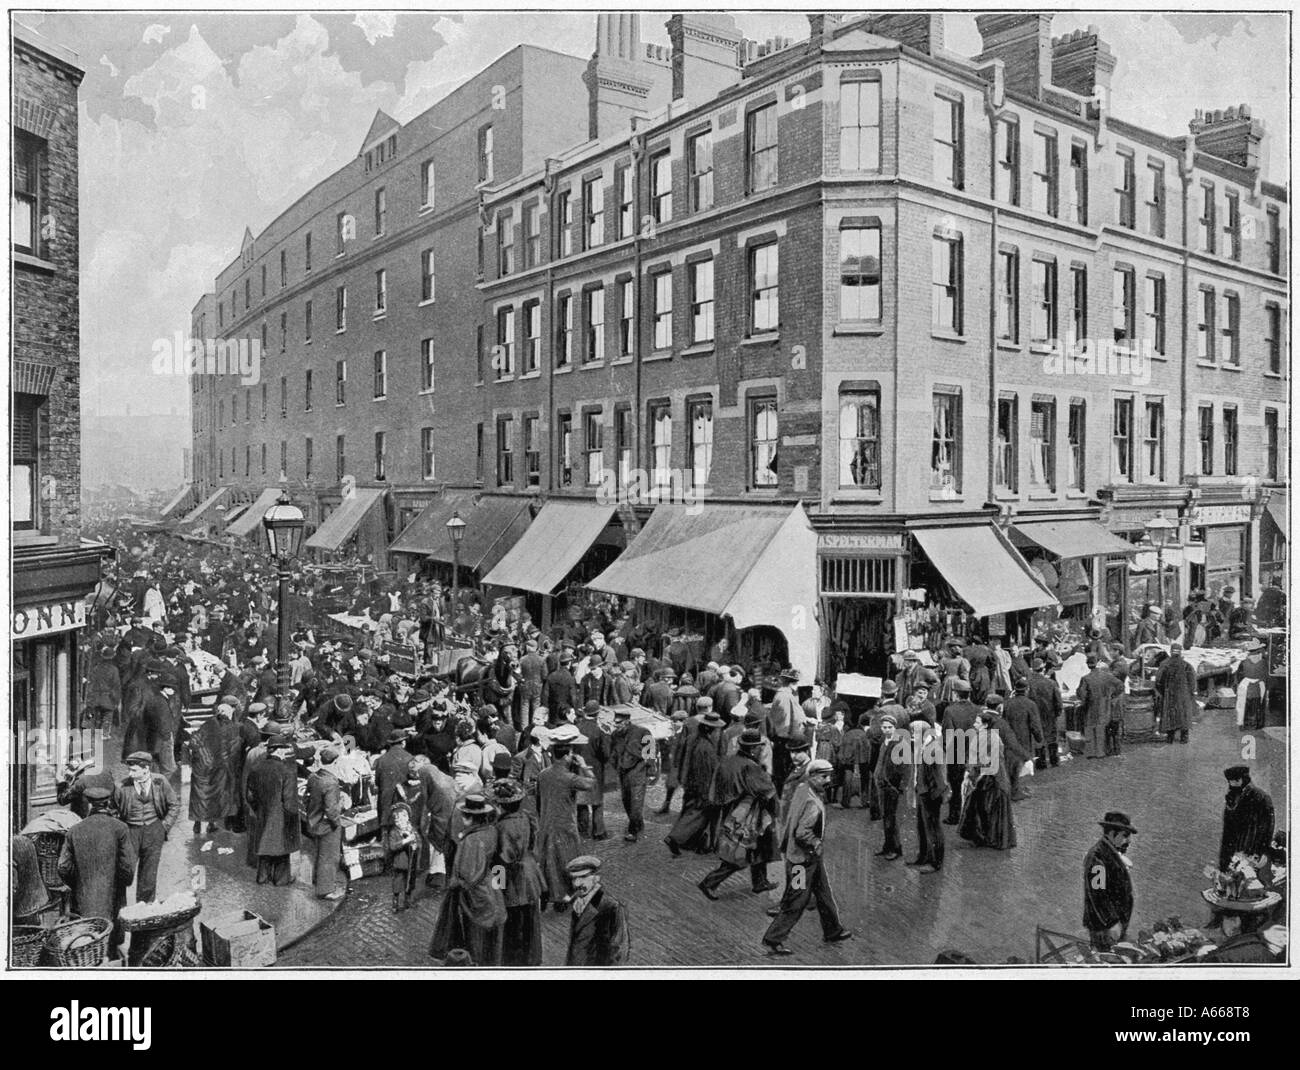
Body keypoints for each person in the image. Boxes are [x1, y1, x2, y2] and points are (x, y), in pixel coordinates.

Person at [761, 760, 853, 955]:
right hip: (803, 860)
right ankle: (773, 938)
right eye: (823, 776)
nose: (828, 780)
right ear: (812, 776)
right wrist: (816, 843)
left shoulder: (803, 788)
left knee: (824, 894)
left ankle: (833, 930)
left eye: (829, 776)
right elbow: (803, 833)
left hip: (807, 858)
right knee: (797, 900)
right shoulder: (813, 801)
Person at [56, 784, 135, 960]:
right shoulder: (120, 828)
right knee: (112, 948)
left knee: (85, 948)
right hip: (112, 902)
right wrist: (119, 883)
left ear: (89, 805)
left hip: (83, 902)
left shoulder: (74, 830)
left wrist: (77, 882)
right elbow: (128, 869)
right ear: (108, 804)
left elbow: (63, 867)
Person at [698, 729, 779, 899]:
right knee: (740, 853)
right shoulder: (750, 766)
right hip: (747, 814)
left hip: (729, 811)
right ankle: (709, 882)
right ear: (752, 748)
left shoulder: (727, 761)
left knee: (757, 849)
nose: (759, 750)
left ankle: (760, 882)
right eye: (757, 747)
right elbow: (767, 790)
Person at [430, 794, 506, 965]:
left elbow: (467, 875)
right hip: (491, 887)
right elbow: (498, 863)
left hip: (475, 896)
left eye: (464, 815)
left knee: (474, 937)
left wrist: (454, 883)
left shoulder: (471, 840)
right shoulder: (492, 830)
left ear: (469, 818)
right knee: (489, 939)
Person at [536, 724, 597, 910]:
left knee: (549, 861)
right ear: (567, 754)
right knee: (568, 861)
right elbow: (591, 784)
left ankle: (548, 895)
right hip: (566, 825)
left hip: (547, 823)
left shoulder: (543, 774)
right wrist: (584, 766)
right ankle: (564, 896)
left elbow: (539, 800)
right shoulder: (570, 778)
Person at [488, 776, 545, 966]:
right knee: (530, 923)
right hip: (530, 876)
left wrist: (496, 889)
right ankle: (532, 961)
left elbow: (501, 860)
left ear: (501, 806)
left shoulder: (500, 827)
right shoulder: (525, 817)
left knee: (513, 929)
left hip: (513, 882)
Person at [113, 752, 178, 903]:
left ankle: (145, 909)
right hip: (131, 832)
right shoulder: (122, 786)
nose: (130, 773)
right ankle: (120, 909)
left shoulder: (160, 782)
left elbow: (174, 805)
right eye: (129, 770)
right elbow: (113, 810)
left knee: (149, 875)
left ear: (146, 768)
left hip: (154, 830)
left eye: (134, 770)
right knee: (125, 871)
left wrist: (164, 827)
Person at [665, 709, 724, 857]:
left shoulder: (697, 740)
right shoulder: (706, 748)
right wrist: (707, 792)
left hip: (692, 784)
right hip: (701, 788)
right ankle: (675, 838)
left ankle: (692, 842)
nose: (719, 733)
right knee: (696, 816)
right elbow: (705, 772)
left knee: (691, 813)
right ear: (711, 730)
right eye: (717, 729)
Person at [246, 736, 301, 886]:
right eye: (284, 749)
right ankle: (280, 880)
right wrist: (293, 819)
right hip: (282, 817)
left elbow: (249, 795)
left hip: (263, 814)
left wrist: (259, 809)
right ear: (279, 750)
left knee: (265, 848)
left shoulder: (257, 768)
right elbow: (289, 801)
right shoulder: (286, 770)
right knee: (282, 851)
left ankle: (262, 877)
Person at [958, 712, 1016, 850]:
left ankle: (986, 837)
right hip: (993, 777)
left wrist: (970, 774)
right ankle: (989, 836)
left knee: (984, 806)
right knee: (986, 807)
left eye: (977, 722)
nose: (974, 724)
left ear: (985, 725)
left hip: (990, 778)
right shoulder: (990, 736)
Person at [186, 699, 241, 835]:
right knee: (217, 798)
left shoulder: (208, 723)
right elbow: (234, 749)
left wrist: (203, 758)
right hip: (219, 769)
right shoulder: (233, 728)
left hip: (202, 769)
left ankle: (197, 824)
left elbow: (194, 742)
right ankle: (211, 823)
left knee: (199, 797)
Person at [1083, 811, 1137, 950]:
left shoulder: (1110, 853)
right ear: (1112, 833)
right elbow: (1097, 894)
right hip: (1105, 928)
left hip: (1114, 926)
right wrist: (1111, 922)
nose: (1129, 841)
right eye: (1125, 836)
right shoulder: (1097, 856)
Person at [565, 855, 630, 966]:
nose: (577, 883)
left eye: (583, 877)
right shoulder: (577, 902)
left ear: (597, 877)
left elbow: (619, 950)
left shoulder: (611, 906)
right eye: (574, 878)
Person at [1218, 766, 1275, 871]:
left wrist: (1257, 854)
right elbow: (1227, 833)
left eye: (1234, 781)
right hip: (1234, 856)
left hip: (1251, 855)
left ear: (1241, 780)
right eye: (1230, 781)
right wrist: (1224, 862)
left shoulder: (1261, 798)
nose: (1231, 784)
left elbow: (1266, 830)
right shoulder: (1232, 799)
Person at [305, 747, 345, 901]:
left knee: (320, 854)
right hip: (327, 825)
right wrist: (338, 814)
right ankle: (325, 890)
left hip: (314, 822)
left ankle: (317, 880)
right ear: (335, 762)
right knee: (329, 857)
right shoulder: (331, 782)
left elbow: (306, 798)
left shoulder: (313, 777)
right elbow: (331, 810)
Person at [939, 679, 979, 824]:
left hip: (956, 753)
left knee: (956, 786)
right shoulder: (977, 709)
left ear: (955, 694)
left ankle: (954, 816)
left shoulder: (950, 710)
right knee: (973, 783)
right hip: (974, 752)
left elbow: (947, 735)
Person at [910, 723, 948, 873]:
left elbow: (940, 777)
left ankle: (935, 862)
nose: (912, 735)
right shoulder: (924, 746)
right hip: (922, 791)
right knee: (922, 826)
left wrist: (935, 795)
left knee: (933, 828)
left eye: (915, 732)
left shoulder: (934, 748)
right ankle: (923, 856)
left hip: (930, 794)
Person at [610, 706, 651, 842]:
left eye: (619, 723)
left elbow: (650, 752)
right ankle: (638, 825)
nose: (616, 726)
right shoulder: (615, 735)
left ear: (627, 722)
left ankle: (633, 831)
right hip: (623, 772)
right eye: (615, 723)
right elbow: (613, 753)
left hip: (638, 771)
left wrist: (650, 770)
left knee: (636, 803)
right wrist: (615, 766)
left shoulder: (642, 732)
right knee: (626, 801)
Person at [574, 699, 610, 840]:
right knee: (597, 802)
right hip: (595, 769)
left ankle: (582, 830)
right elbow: (605, 754)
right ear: (597, 714)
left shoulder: (577, 727)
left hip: (578, 767)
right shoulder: (599, 731)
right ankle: (598, 831)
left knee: (582, 801)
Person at [1001, 679, 1043, 800]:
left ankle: (1011, 789)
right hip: (1023, 738)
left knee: (1010, 764)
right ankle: (1015, 791)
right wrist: (1039, 737)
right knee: (1019, 764)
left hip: (1008, 739)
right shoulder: (1030, 704)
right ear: (1027, 690)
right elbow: (1035, 725)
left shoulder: (1007, 703)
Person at [873, 715, 907, 860]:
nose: (887, 730)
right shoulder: (884, 742)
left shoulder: (899, 743)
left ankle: (896, 848)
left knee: (892, 818)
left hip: (892, 786)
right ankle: (887, 846)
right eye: (884, 727)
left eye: (889, 727)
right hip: (882, 785)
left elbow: (905, 767)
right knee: (886, 817)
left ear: (895, 728)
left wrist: (900, 786)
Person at [1076, 655, 1119, 759]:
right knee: (1102, 728)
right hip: (1105, 707)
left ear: (1088, 665)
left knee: (1090, 728)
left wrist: (1081, 700)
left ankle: (1091, 753)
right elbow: (1120, 685)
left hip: (1091, 708)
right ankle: (1101, 752)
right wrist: (1112, 695)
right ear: (1098, 663)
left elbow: (1082, 694)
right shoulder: (1107, 676)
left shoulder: (1086, 679)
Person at [1152, 642, 1197, 744]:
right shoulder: (1187, 665)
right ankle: (1184, 738)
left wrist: (1163, 692)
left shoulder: (1164, 664)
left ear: (1170, 652)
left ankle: (1170, 738)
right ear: (1180, 652)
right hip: (1183, 696)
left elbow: (1158, 681)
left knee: (1170, 716)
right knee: (1183, 716)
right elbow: (1193, 682)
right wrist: (1190, 693)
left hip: (1170, 695)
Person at [1026, 658, 1063, 768]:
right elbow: (1058, 702)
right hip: (1050, 715)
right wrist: (1057, 713)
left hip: (1035, 715)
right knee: (1052, 738)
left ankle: (1041, 763)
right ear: (1043, 669)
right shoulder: (1051, 683)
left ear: (1032, 669)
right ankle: (1054, 760)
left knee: (1038, 739)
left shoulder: (1028, 684)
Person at [386, 801, 420, 912]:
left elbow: (418, 841)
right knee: (397, 883)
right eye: (396, 820)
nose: (399, 823)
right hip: (399, 862)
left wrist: (416, 845)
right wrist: (405, 841)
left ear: (407, 819)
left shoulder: (412, 830)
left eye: (401, 820)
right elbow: (392, 847)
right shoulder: (394, 832)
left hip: (410, 863)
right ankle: (395, 903)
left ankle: (407, 901)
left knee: (409, 882)